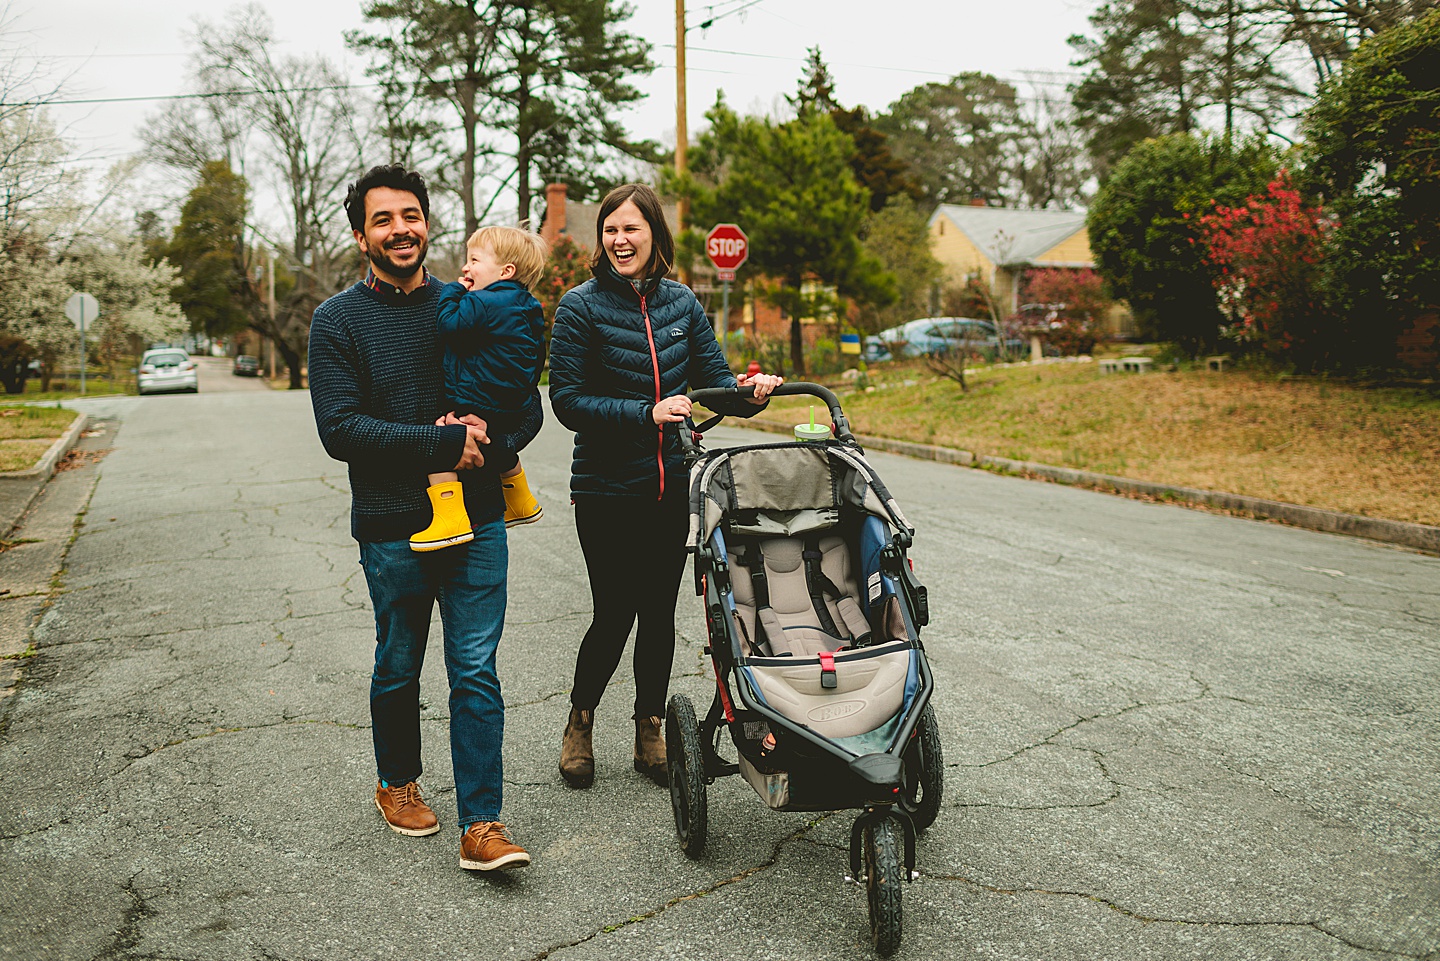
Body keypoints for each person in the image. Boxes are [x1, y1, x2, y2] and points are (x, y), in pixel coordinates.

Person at [308, 164, 536, 872]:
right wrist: (441, 441)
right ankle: (397, 781)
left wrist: (489, 439)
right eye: (383, 219)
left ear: (426, 223)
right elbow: (341, 429)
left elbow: (522, 400)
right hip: (390, 522)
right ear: (359, 235)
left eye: (410, 215)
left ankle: (483, 823)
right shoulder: (337, 321)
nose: (401, 228)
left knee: (474, 667)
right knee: (399, 662)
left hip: (477, 515)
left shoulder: (473, 301)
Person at [547, 183, 782, 788]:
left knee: (658, 613)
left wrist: (750, 394)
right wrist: (643, 412)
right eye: (610, 229)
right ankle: (580, 720)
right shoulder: (580, 306)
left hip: (673, 485)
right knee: (615, 610)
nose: (619, 240)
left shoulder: (682, 304)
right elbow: (567, 402)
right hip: (604, 486)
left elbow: (714, 384)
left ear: (656, 234)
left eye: (632, 229)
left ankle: (649, 726)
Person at [411, 224, 548, 552]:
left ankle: (450, 518)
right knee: (495, 443)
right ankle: (520, 499)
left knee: (443, 440)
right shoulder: (529, 306)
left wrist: (453, 293)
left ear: (505, 270)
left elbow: (449, 325)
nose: (465, 268)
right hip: (513, 398)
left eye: (474, 260)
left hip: (480, 395)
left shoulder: (483, 302)